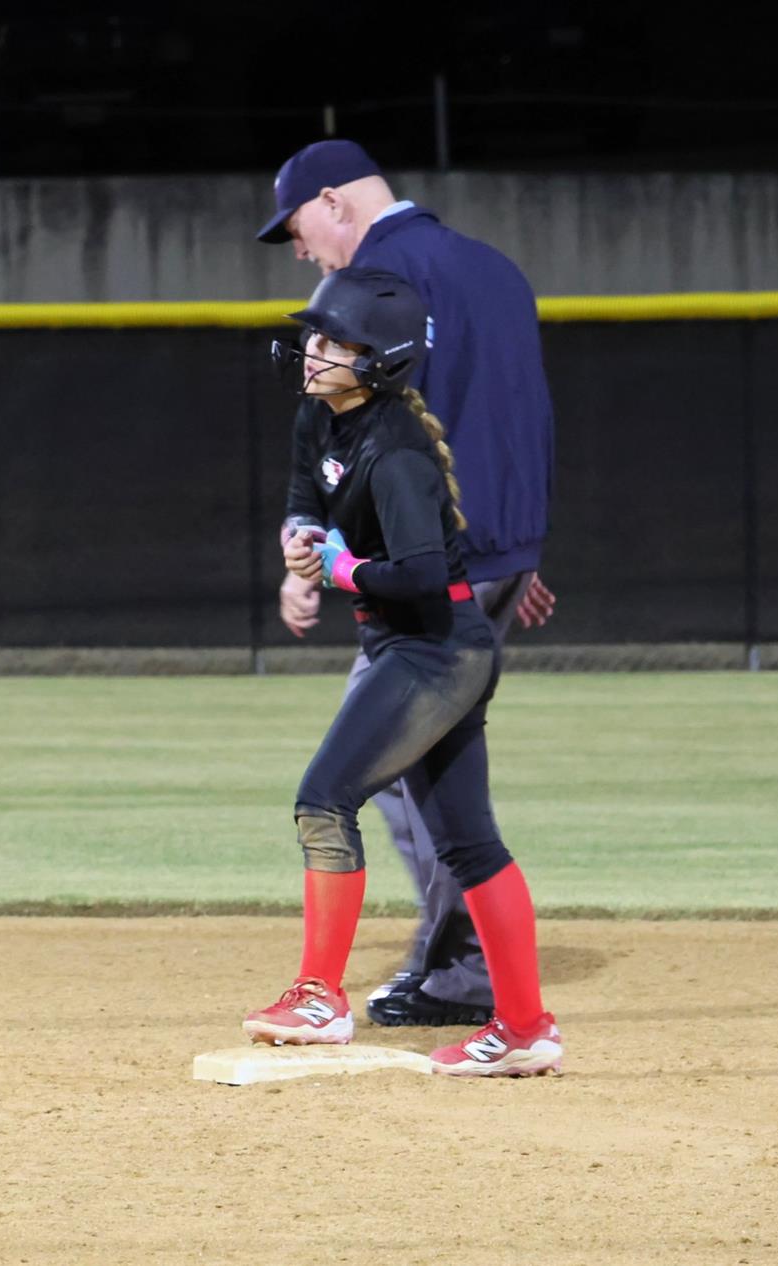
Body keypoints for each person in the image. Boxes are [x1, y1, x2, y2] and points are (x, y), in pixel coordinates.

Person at [257, 138, 556, 1028]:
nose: (302, 249)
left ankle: (456, 972)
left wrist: (327, 560)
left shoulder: (375, 285)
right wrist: (524, 546)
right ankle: (476, 979)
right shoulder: (496, 268)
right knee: (436, 767)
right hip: (494, 546)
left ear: (337, 202)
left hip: (430, 562)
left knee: (374, 768)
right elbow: (522, 408)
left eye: (299, 226)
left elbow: (377, 442)